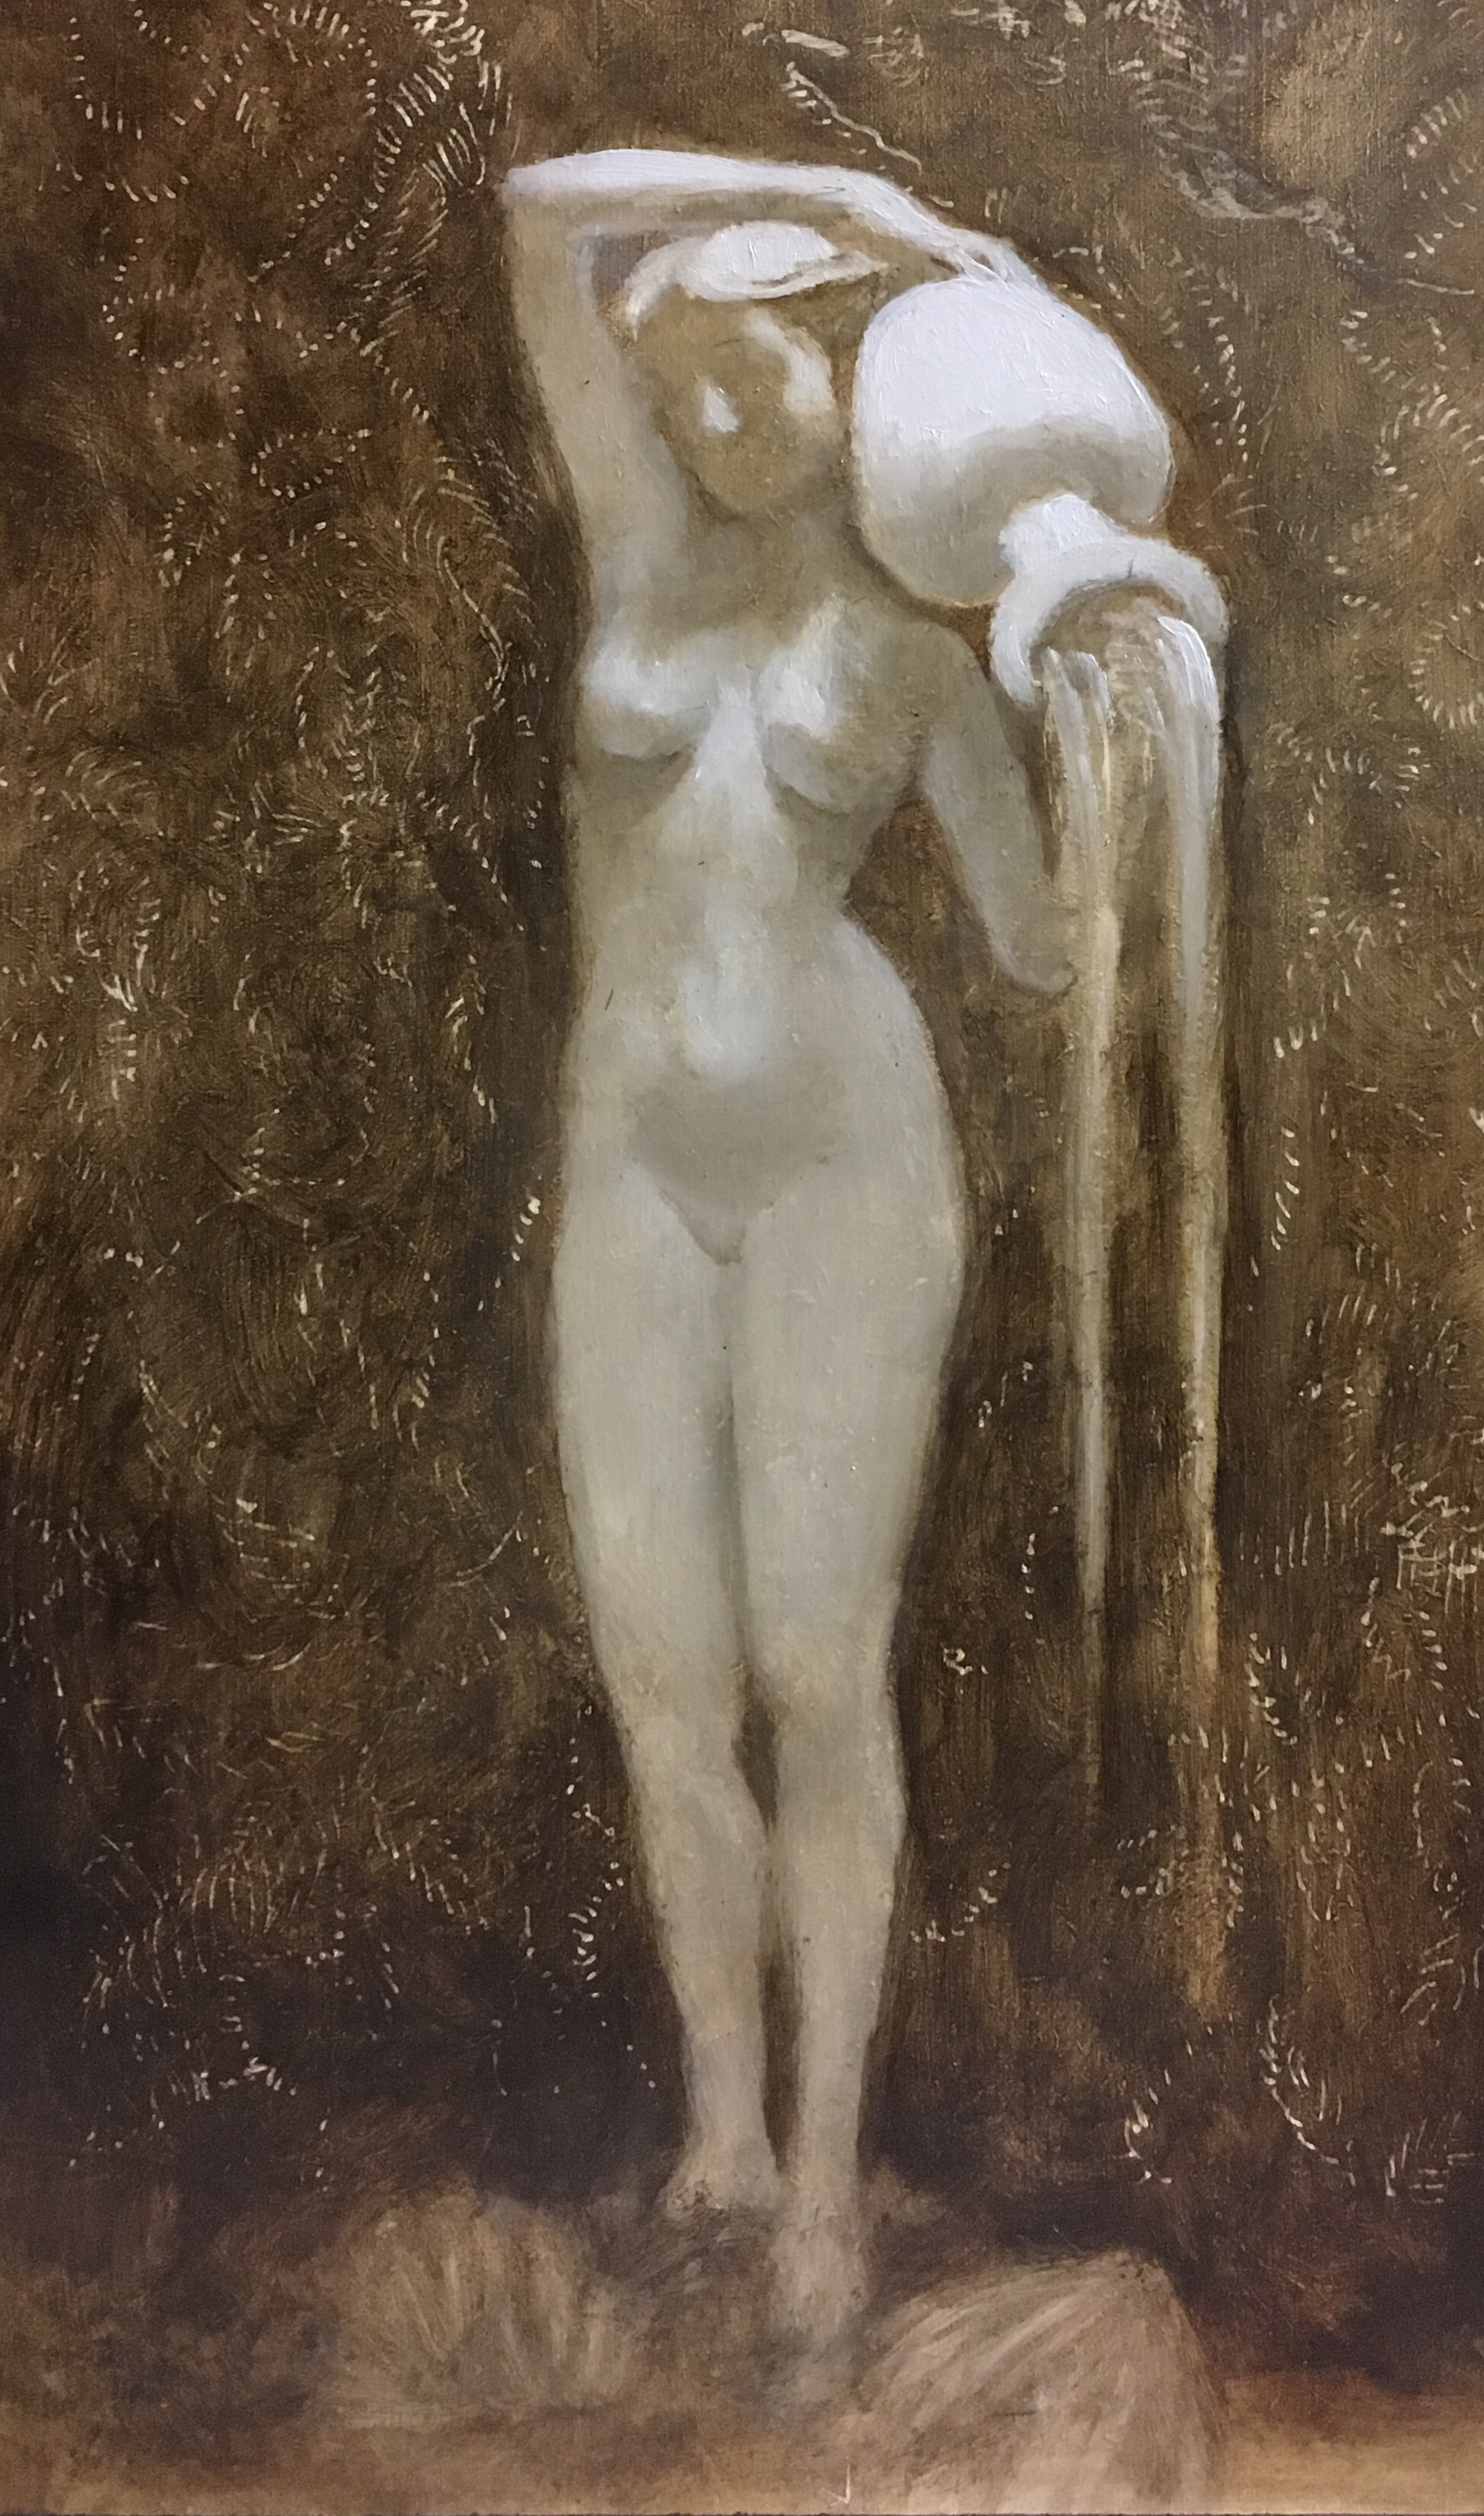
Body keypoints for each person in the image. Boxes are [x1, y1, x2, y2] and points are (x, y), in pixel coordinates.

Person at [501, 150, 1075, 2361]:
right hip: (636, 1167)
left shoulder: (921, 659)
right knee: (664, 1680)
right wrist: (839, 190)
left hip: (847, 1164)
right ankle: (719, 2132)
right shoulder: (636, 558)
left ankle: (825, 2175)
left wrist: (1107, 687)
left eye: (763, 374)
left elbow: (1036, 947)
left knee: (820, 1667)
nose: (724, 420)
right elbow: (543, 212)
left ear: (848, 381)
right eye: (689, 392)